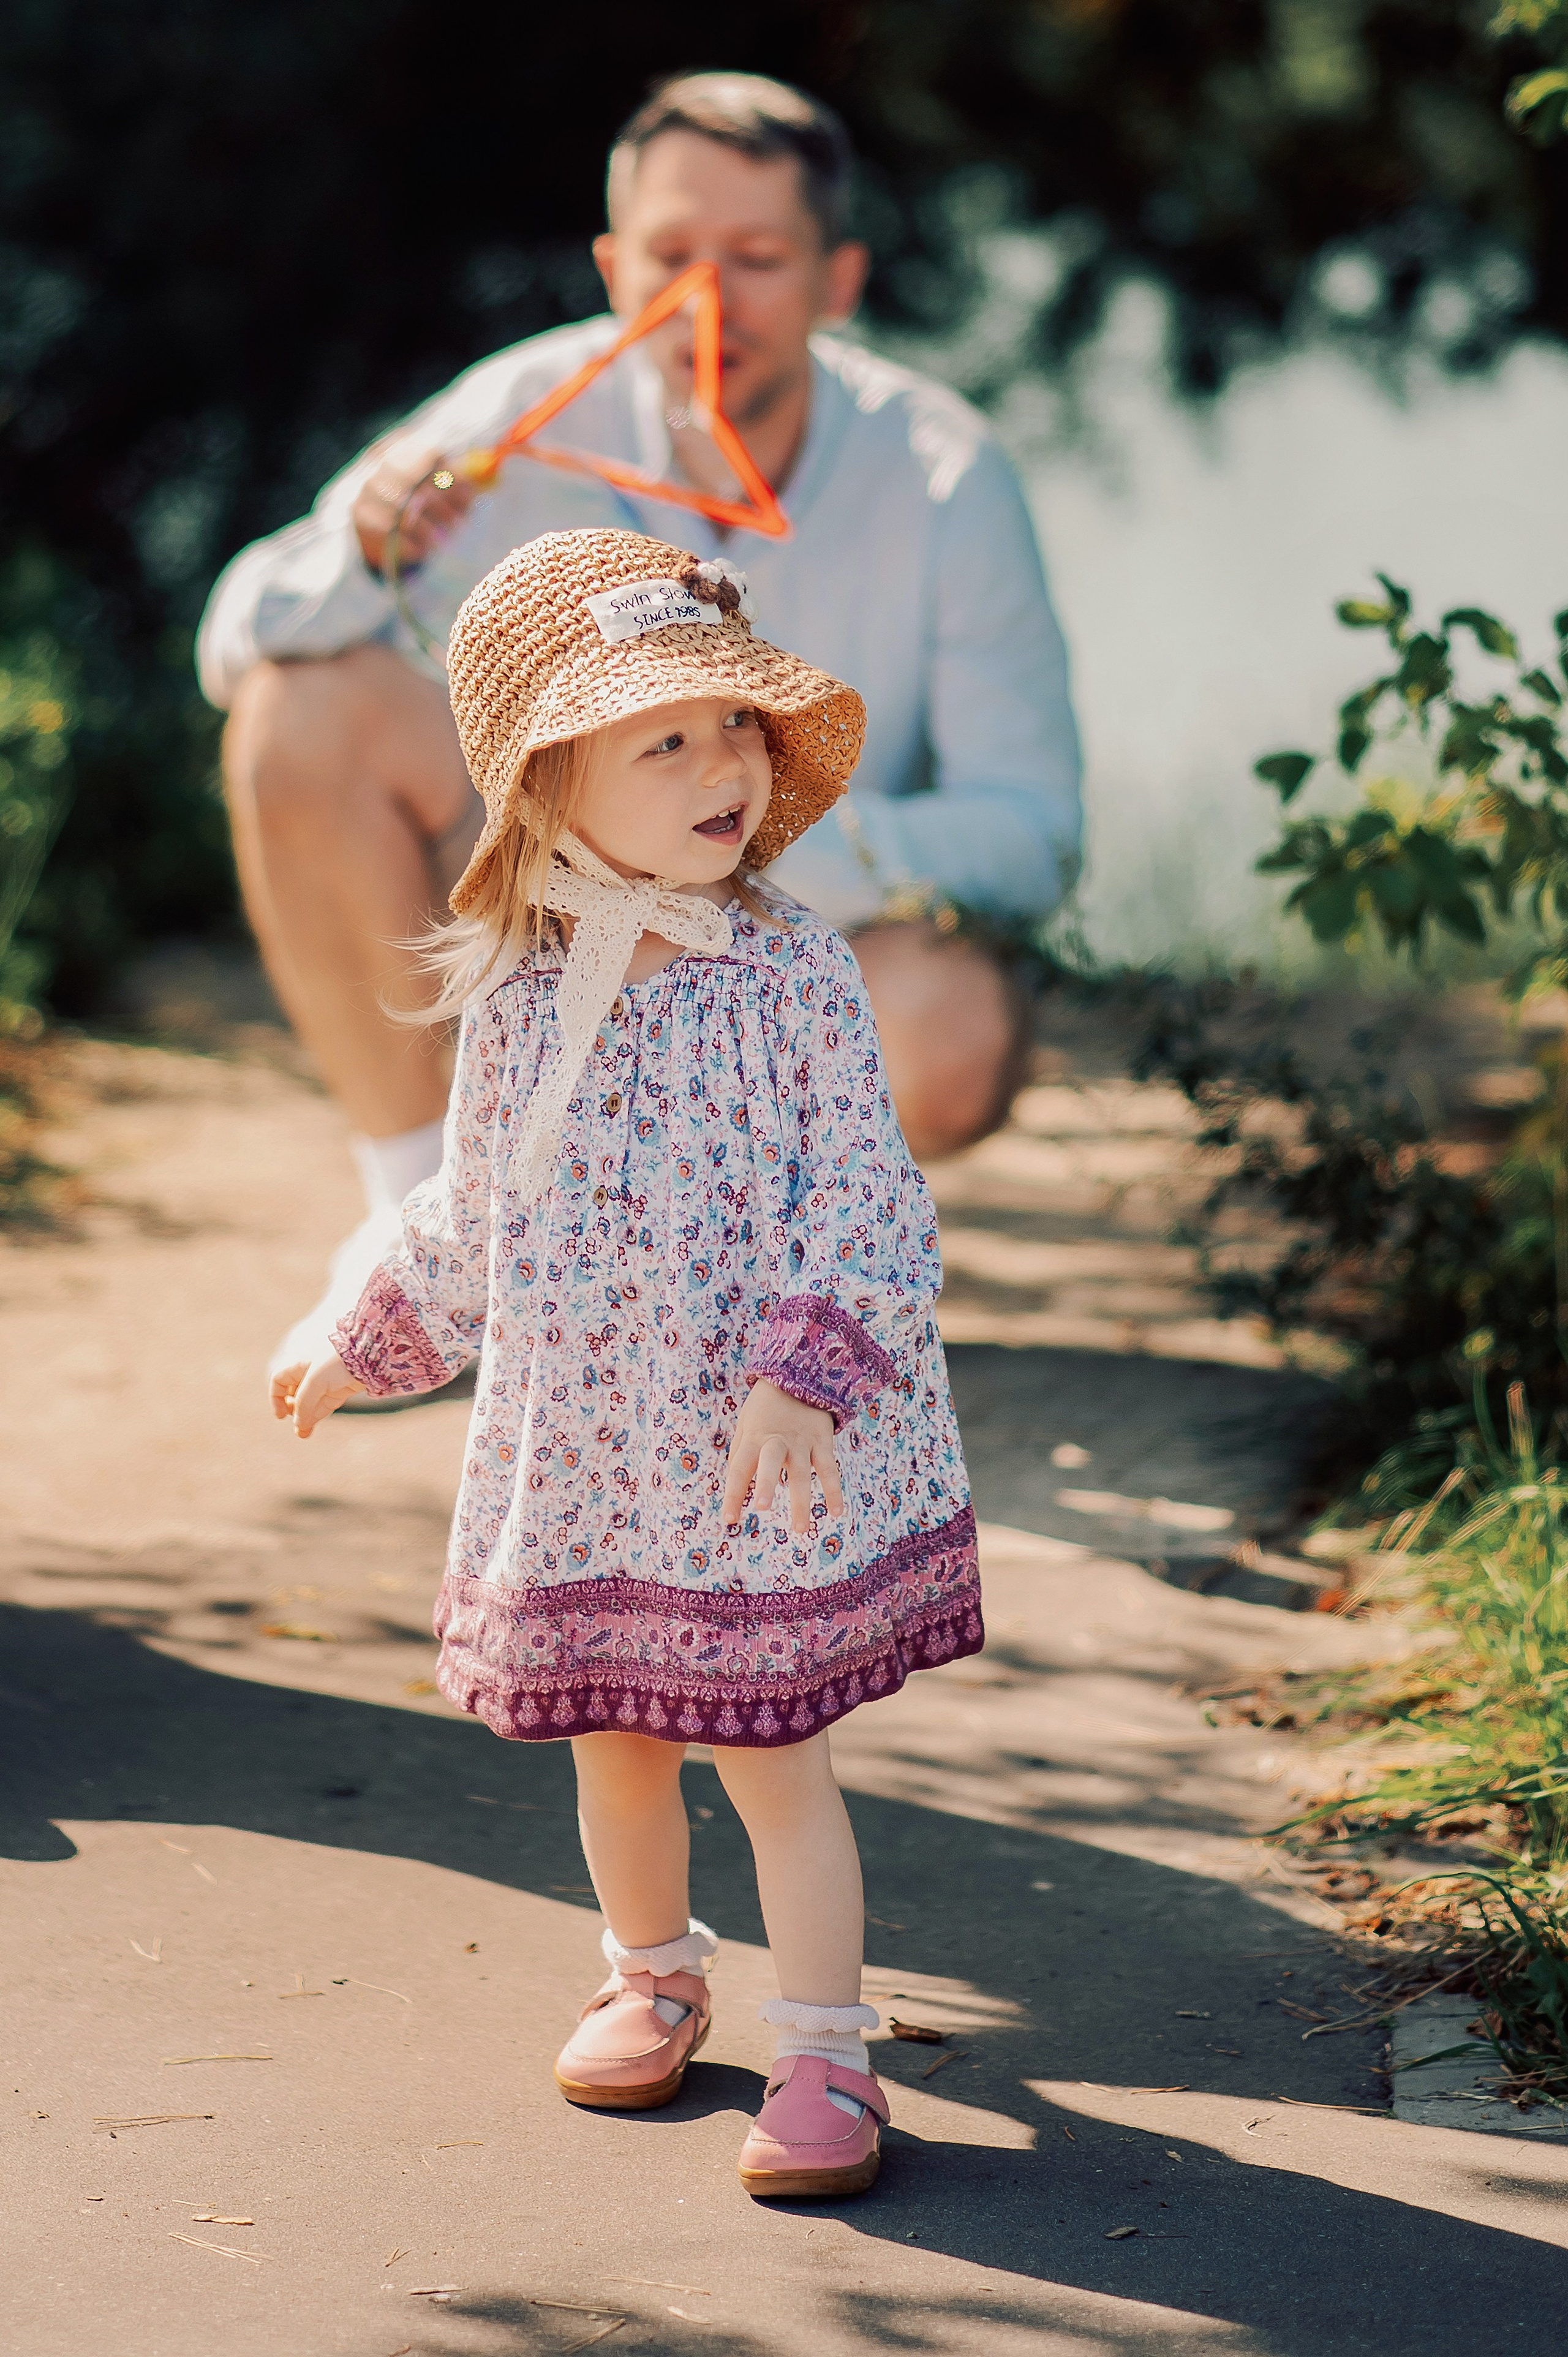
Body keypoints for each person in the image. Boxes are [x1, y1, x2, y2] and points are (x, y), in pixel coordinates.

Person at [273, 527, 982, 2198]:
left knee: (772, 1759)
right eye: (660, 741)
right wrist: (353, 1332)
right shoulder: (521, 993)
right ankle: (651, 1968)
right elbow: (468, 1214)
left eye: (730, 724)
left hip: (753, 1457)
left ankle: (825, 2045)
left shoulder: (796, 970)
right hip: (593, 1458)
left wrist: (807, 1369)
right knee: (619, 1746)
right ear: (547, 790)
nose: (720, 762)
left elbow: (869, 1197)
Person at [200, 70, 1080, 1372]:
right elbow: (239, 640)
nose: (703, 301)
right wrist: (361, 542)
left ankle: (731, 1287)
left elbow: (1035, 835)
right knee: (302, 713)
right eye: (671, 255)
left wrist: (750, 852)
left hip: (791, 941)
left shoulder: (944, 472)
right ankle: (428, 1233)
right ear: (614, 266)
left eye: (757, 258)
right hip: (555, 923)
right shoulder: (526, 410)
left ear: (838, 281)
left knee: (950, 1034)